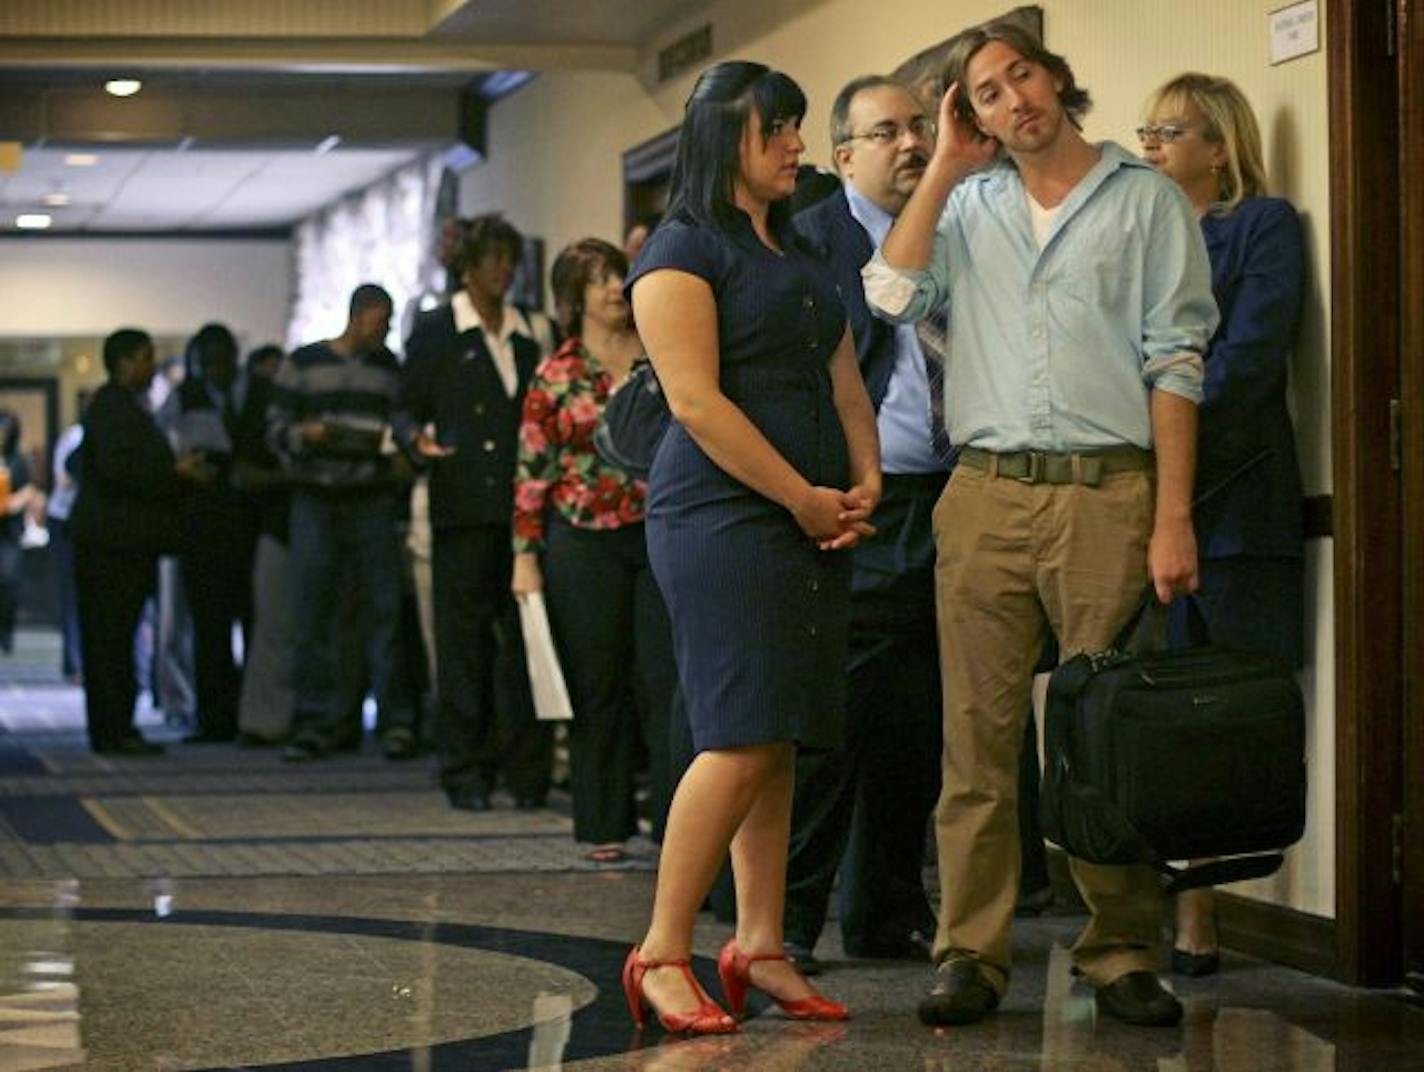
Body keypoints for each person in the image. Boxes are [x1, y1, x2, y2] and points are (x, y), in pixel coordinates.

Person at [864, 22, 1216, 1027]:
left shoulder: (1142, 201)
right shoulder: (963, 206)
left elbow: (1175, 362)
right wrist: (937, 168)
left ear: (1055, 79)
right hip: (981, 494)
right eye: (982, 91)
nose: (1010, 98)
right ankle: (969, 953)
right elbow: (888, 293)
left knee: (1102, 738)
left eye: (1019, 74)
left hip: (1111, 492)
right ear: (966, 115)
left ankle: (1118, 951)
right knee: (975, 741)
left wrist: (1172, 517)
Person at [622, 60, 879, 1034]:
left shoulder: (797, 246)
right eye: (779, 130)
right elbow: (693, 402)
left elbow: (842, 371)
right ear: (728, 134)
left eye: (797, 130)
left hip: (806, 510)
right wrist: (800, 497)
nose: (796, 147)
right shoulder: (680, 248)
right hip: (721, 516)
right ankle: (658, 949)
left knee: (777, 734)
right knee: (734, 735)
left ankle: (759, 942)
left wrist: (861, 478)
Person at [1139, 72, 1307, 978]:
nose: (1150, 146)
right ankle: (1169, 915)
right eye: (1147, 129)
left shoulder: (1262, 227)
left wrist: (1154, 417)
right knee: (1157, 716)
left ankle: (1212, 910)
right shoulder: (1139, 241)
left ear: (1220, 144)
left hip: (1236, 503)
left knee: (1232, 713)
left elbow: (1245, 362)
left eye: (1169, 130)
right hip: (1139, 500)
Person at [781, 75, 945, 972]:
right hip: (852, 504)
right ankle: (797, 919)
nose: (910, 144)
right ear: (845, 155)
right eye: (887, 132)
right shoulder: (811, 243)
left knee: (916, 726)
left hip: (947, 494)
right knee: (834, 722)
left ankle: (889, 912)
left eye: (919, 127)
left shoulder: (960, 227)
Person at [511, 237, 677, 861]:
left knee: (664, 681)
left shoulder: (662, 355)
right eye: (602, 280)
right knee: (597, 682)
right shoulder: (555, 375)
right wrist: (524, 555)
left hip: (660, 532)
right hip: (580, 540)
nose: (617, 289)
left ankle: (674, 824)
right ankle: (603, 822)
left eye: (622, 276)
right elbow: (532, 471)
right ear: (572, 296)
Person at [400, 214, 553, 810]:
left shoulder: (527, 330)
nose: (503, 271)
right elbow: (405, 406)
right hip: (462, 505)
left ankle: (525, 770)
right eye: (492, 259)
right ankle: (464, 769)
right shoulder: (440, 329)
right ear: (467, 266)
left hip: (520, 509)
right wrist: (418, 439)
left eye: (509, 259)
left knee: (521, 643)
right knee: (462, 645)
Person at [268, 284, 418, 762]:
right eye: (383, 319)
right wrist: (303, 435)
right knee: (312, 611)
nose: (388, 329)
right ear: (361, 314)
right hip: (315, 497)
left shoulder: (388, 369)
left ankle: (394, 721)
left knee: (383, 610)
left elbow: (403, 427)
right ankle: (314, 722)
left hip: (371, 498)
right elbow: (273, 429)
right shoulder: (305, 363)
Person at [71, 329, 213, 755]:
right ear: (125, 362)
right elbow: (120, 471)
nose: (152, 367)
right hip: (112, 543)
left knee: (115, 637)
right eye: (146, 358)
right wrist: (175, 473)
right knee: (111, 638)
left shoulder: (119, 407)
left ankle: (116, 727)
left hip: (118, 540)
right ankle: (114, 730)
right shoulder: (114, 408)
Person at [158, 322, 254, 743]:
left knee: (257, 624)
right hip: (203, 526)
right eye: (207, 362)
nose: (215, 368)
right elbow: (166, 451)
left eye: (222, 360)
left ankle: (254, 714)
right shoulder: (185, 399)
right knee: (209, 628)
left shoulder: (256, 392)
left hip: (253, 524)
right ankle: (214, 716)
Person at [234, 344, 296, 746]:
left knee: (278, 628)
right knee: (274, 627)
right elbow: (245, 475)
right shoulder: (259, 410)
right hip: (273, 528)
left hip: (277, 528)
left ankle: (271, 717)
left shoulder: (262, 406)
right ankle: (264, 718)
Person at [46, 416, 86, 679]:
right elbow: (65, 478)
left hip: (78, 518)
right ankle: (74, 663)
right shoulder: (76, 437)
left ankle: (76, 661)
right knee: (72, 592)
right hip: (66, 518)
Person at [0, 410, 38, 655]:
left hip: (10, 530)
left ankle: (6, 631)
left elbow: (30, 489)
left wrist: (15, 501)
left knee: (8, 581)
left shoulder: (18, 460)